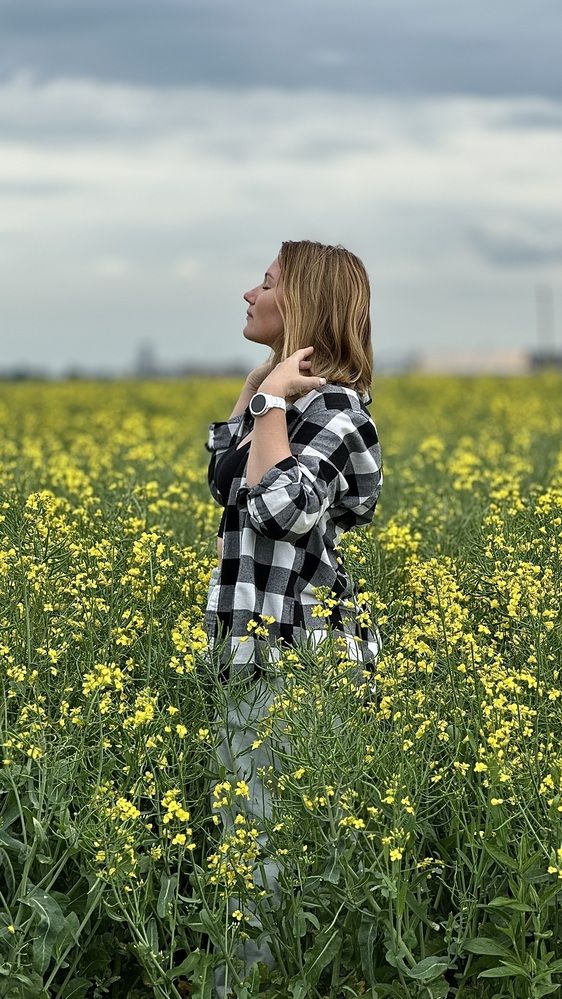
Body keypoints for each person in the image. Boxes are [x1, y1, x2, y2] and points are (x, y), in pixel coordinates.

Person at [204, 239, 383, 996]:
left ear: (301, 304)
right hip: (251, 657)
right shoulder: (287, 401)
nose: (249, 292)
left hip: (298, 667)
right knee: (247, 853)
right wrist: (257, 389)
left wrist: (274, 401)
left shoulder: (336, 413)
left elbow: (279, 507)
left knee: (268, 862)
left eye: (267, 283)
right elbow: (227, 483)